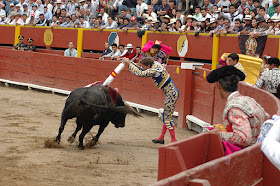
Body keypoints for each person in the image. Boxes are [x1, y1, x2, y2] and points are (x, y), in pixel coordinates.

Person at [207, 66, 269, 148]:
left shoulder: (235, 108)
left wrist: (219, 133)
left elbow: (243, 138)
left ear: (218, 85)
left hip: (246, 156)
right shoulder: (249, 100)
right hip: (258, 151)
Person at [122, 57, 179, 144]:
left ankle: (174, 141)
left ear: (148, 65)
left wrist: (129, 63)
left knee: (167, 118)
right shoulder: (154, 64)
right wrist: (130, 62)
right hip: (171, 93)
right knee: (165, 116)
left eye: (144, 66)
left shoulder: (154, 70)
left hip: (171, 94)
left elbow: (140, 73)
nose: (143, 67)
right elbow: (142, 70)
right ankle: (161, 138)